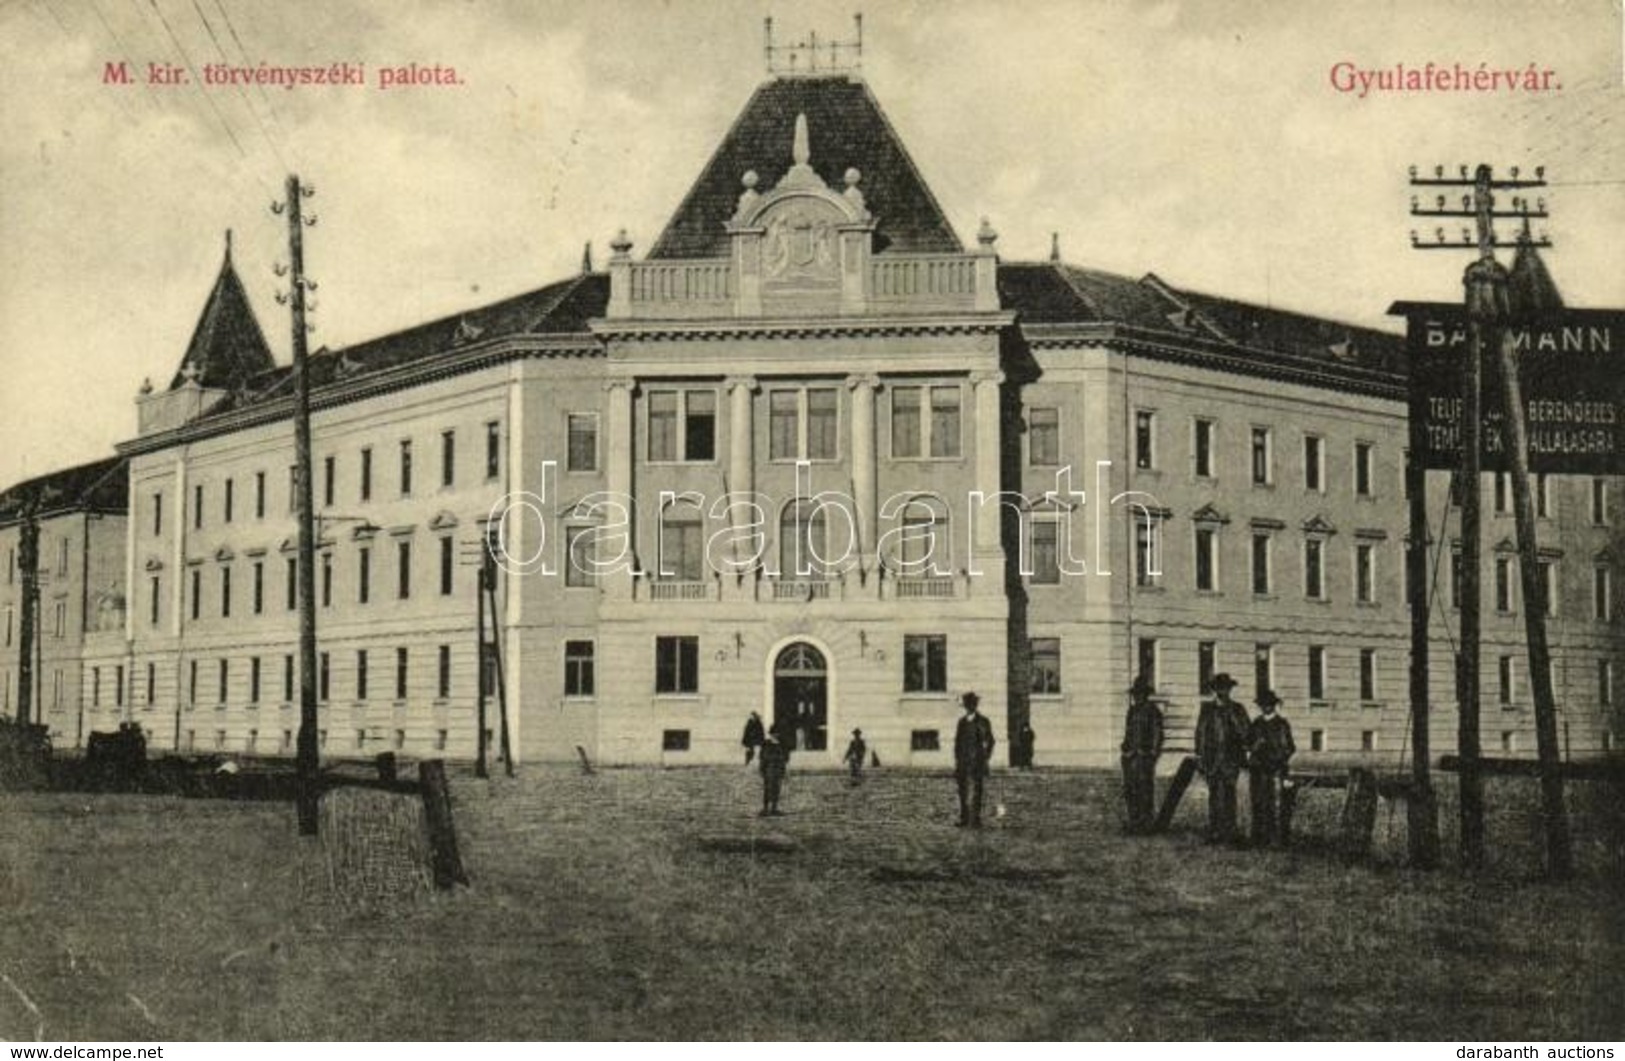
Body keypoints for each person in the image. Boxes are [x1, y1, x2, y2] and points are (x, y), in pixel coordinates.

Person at [1194, 672, 1251, 843]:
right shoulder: (1206, 709)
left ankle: (1229, 831)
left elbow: (1246, 733)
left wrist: (1234, 719)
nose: (1222, 691)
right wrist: (1200, 755)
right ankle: (1214, 831)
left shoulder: (1237, 709)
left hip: (1230, 759)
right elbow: (1200, 733)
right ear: (1214, 690)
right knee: (1213, 795)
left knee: (1228, 794)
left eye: (1225, 688)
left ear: (1230, 689)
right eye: (1218, 688)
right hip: (1212, 759)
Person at [1247, 689, 1296, 847]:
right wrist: (1255, 747)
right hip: (1258, 770)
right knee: (1258, 802)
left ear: (1274, 705)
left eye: (1268, 704)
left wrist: (1277, 759)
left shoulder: (1281, 724)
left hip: (1275, 770)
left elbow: (1289, 748)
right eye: (1262, 704)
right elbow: (1248, 744)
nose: (1265, 707)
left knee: (1276, 804)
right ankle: (1258, 837)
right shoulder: (1256, 723)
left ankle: (1277, 838)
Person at [1120, 674, 1164, 834]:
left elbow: (1157, 734)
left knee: (1145, 790)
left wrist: (1152, 754)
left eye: (1140, 694)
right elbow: (1128, 733)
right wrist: (1125, 751)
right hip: (1131, 757)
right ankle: (1134, 821)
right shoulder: (1131, 711)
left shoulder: (1153, 711)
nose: (1136, 697)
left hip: (1144, 757)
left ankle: (1146, 823)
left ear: (1145, 694)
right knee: (1130, 789)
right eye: (1135, 694)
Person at [953, 691, 996, 827]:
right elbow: (957, 742)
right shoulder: (962, 722)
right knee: (962, 791)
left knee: (977, 791)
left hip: (977, 762)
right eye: (967, 705)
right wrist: (958, 759)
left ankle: (976, 819)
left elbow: (990, 740)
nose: (969, 707)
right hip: (963, 762)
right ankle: (964, 818)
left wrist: (985, 757)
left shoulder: (982, 721)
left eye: (971, 704)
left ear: (975, 705)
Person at [758, 727, 789, 816]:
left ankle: (774, 808)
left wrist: (783, 768)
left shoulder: (781, 744)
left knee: (776, 789)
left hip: (778, 769)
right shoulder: (766, 744)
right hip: (769, 769)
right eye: (773, 734)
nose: (775, 736)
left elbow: (785, 757)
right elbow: (763, 757)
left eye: (776, 734)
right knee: (767, 789)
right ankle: (765, 808)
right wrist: (762, 769)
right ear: (770, 734)